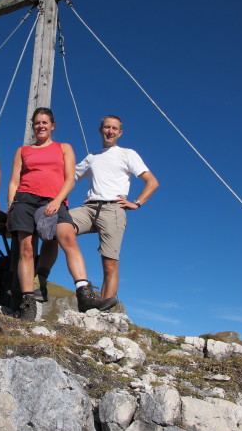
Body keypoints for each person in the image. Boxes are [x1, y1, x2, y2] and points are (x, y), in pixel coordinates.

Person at [38, 115, 159, 311]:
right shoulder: (92, 158)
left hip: (113, 209)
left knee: (109, 264)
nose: (110, 131)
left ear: (120, 133)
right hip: (88, 208)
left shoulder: (128, 154)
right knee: (55, 227)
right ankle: (40, 281)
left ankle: (104, 310)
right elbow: (68, 176)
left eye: (114, 128)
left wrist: (137, 203)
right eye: (106, 127)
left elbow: (152, 182)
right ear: (100, 129)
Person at [7, 107, 98, 321]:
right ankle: (28, 301)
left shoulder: (64, 148)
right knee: (27, 249)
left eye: (45, 122)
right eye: (37, 122)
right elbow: (14, 181)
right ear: (33, 126)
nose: (40, 126)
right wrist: (10, 208)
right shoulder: (23, 151)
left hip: (54, 200)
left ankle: (84, 292)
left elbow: (70, 178)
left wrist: (57, 201)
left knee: (67, 237)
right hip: (24, 200)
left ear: (52, 126)